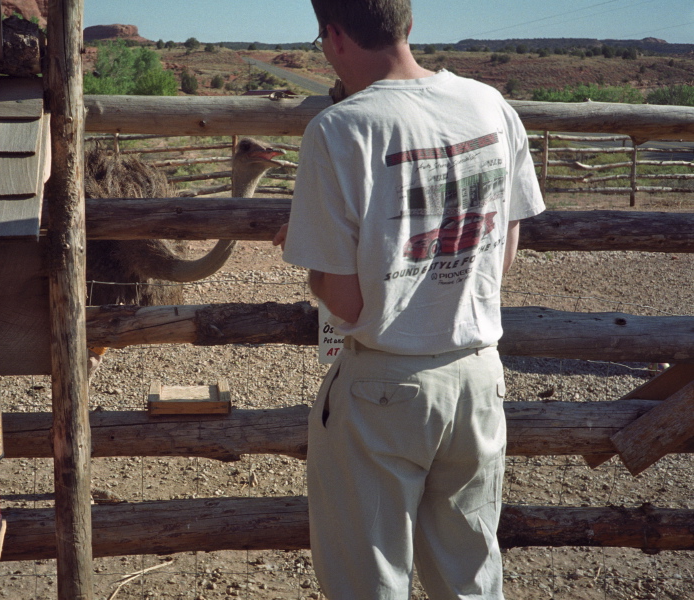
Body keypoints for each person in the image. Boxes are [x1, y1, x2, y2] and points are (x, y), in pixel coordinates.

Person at [273, 1, 546, 598]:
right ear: (409, 25)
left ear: (335, 36)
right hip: (477, 376)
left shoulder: (341, 129)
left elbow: (344, 303)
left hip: (384, 387)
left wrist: (315, 266)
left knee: (370, 582)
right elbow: (502, 257)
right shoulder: (489, 105)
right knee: (470, 575)